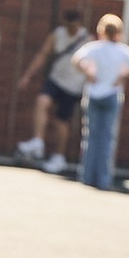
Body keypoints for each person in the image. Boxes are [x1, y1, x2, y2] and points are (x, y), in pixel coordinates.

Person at [69, 11, 129, 190]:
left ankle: (86, 177)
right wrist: (123, 75)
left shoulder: (94, 47)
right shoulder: (122, 50)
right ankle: (103, 179)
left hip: (94, 93)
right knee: (108, 138)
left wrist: (88, 72)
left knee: (90, 136)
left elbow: (76, 59)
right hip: (112, 94)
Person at [17, 16, 89, 173]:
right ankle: (37, 141)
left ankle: (59, 156)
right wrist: (28, 76)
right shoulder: (57, 35)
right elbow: (43, 54)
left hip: (73, 85)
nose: (72, 29)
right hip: (56, 79)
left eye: (75, 26)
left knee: (61, 121)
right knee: (42, 101)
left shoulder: (87, 39)